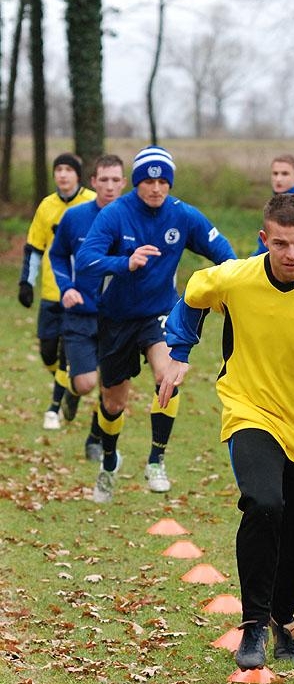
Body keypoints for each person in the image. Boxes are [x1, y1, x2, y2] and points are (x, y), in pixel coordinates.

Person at [159, 193, 294, 670]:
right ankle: (253, 624)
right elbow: (194, 292)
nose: (291, 254)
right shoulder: (237, 277)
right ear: (264, 240)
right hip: (250, 409)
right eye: (280, 244)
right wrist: (179, 351)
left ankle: (284, 616)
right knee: (263, 503)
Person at [75, 145, 237, 502]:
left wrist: (235, 286)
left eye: (163, 181)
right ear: (137, 183)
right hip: (116, 318)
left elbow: (224, 254)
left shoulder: (183, 215)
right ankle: (109, 462)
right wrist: (125, 262)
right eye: (149, 181)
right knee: (113, 402)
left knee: (168, 376)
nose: (156, 188)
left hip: (160, 312)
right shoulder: (116, 214)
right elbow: (86, 260)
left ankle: (156, 460)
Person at [49, 154, 127, 460]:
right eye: (103, 180)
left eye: (115, 180)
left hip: (119, 317)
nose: (109, 186)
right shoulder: (75, 217)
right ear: (93, 182)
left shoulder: (134, 219)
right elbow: (57, 255)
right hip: (80, 314)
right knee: (85, 384)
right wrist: (67, 288)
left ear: (124, 183)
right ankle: (73, 391)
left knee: (111, 388)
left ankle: (95, 439)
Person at [18, 153, 95, 430]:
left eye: (68, 170)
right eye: (58, 169)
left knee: (66, 354)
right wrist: (26, 282)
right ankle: (71, 387)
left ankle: (54, 408)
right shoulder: (46, 206)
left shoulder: (92, 203)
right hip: (51, 291)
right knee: (48, 352)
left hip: (80, 294)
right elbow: (34, 248)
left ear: (78, 175)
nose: (62, 174)